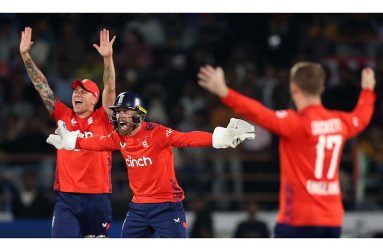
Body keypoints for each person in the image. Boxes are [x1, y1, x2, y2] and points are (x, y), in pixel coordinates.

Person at [197, 63, 376, 238]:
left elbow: (258, 113)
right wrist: (367, 90)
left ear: (294, 88)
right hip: (332, 219)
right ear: (322, 88)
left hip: (299, 219)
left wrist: (225, 92)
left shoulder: (295, 123)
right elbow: (362, 117)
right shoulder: (340, 121)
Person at [47, 91, 256, 238]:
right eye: (118, 112)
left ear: (139, 114)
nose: (120, 116)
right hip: (138, 208)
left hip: (167, 206)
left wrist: (219, 138)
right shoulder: (119, 137)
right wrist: (72, 141)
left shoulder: (157, 133)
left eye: (125, 111)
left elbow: (186, 138)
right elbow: (98, 143)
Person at [20, 27, 116, 237]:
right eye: (75, 90)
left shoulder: (104, 118)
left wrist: (107, 59)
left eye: (83, 91)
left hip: (97, 198)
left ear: (95, 99)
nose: (76, 94)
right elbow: (41, 85)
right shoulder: (63, 114)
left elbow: (109, 88)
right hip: (67, 198)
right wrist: (26, 56)